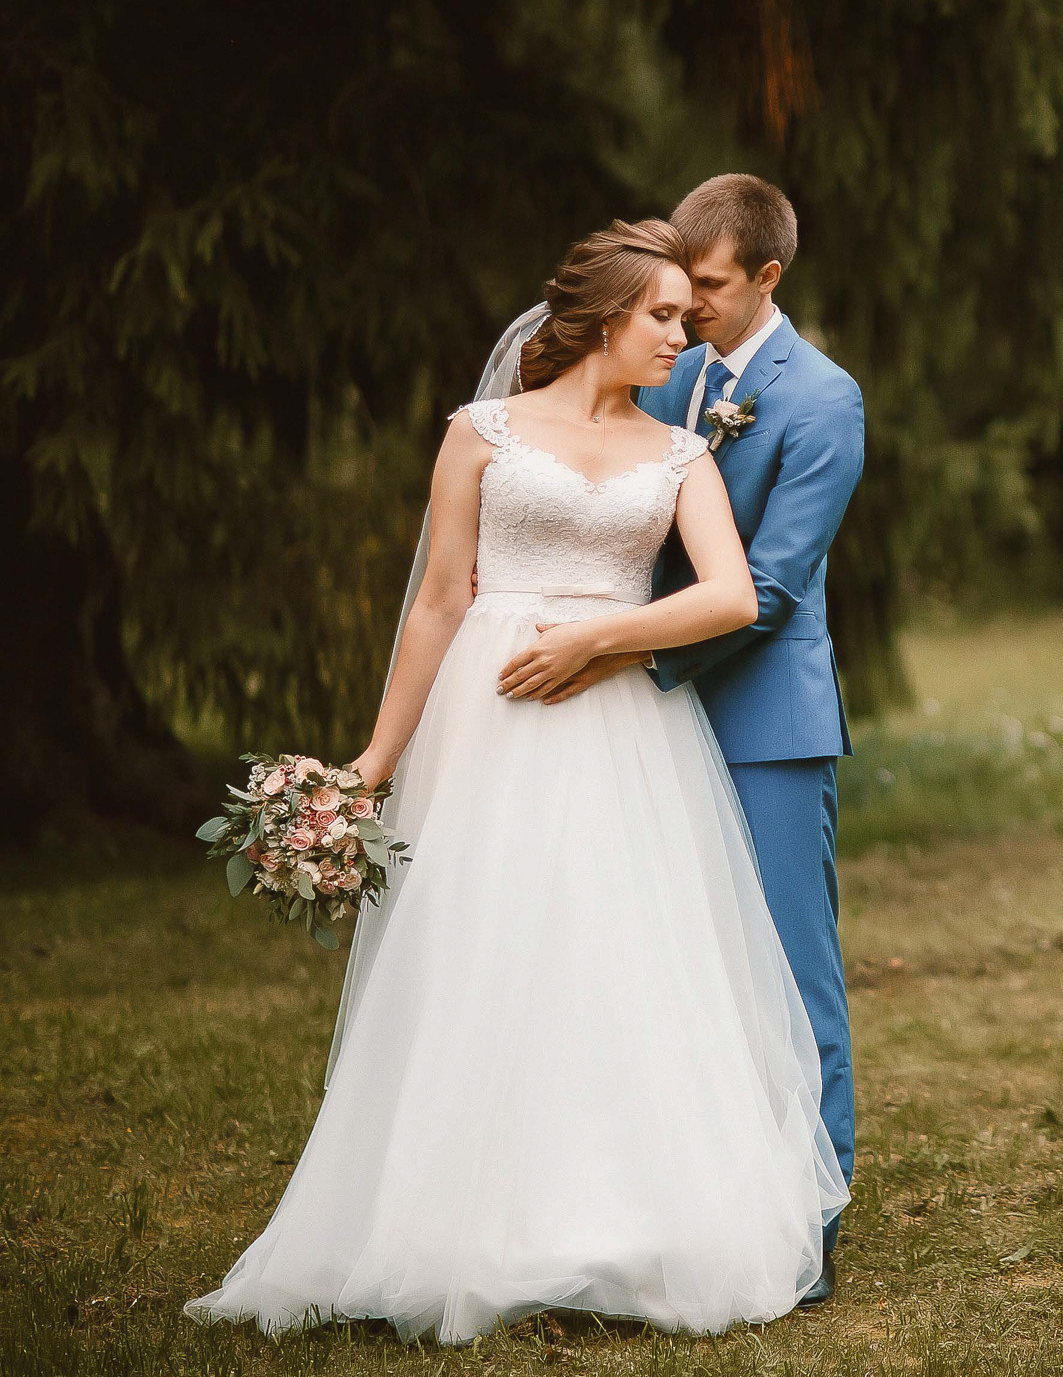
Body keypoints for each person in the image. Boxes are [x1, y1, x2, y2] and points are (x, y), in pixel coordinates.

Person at [186, 219, 847, 1345]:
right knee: (480, 951)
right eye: (662, 318)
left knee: (620, 955)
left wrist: (602, 641)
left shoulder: (679, 455)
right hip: (486, 726)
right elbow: (440, 601)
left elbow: (732, 596)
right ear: (600, 319)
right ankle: (451, 1223)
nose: (680, 338)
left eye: (689, 318)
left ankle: (625, 1224)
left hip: (622, 726)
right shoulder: (479, 433)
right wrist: (372, 765)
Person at [530, 175, 865, 1305]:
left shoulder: (821, 401)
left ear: (767, 278)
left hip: (760, 721)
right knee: (663, 969)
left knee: (784, 969)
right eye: (677, 284)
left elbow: (766, 588)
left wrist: (615, 650)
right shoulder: (662, 368)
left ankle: (812, 1221)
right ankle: (680, 1202)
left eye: (709, 285)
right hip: (637, 722)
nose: (687, 305)